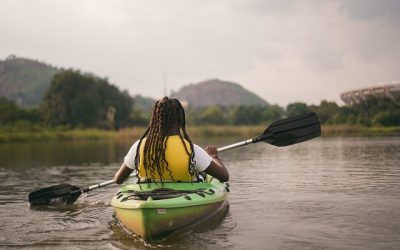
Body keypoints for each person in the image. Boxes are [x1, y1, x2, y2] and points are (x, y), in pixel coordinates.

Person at [114, 97, 229, 184]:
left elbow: (118, 180)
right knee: (202, 174)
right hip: (183, 197)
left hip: (146, 195)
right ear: (180, 120)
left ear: (155, 120)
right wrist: (213, 156)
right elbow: (224, 177)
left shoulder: (139, 147)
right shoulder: (191, 150)